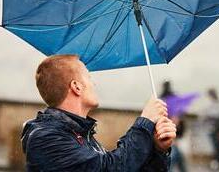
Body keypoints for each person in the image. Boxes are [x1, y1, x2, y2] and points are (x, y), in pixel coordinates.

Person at [21, 55, 176, 171]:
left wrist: (157, 149)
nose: (93, 83)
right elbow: (111, 168)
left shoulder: (80, 134)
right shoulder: (46, 137)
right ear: (76, 87)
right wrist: (145, 121)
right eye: (88, 77)